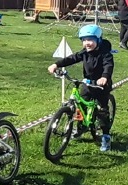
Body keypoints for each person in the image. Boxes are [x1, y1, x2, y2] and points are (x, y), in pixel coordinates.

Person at [48, 23, 116, 152]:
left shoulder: (105, 54)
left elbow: (108, 66)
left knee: (102, 111)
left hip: (101, 86)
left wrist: (104, 77)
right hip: (87, 84)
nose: (87, 43)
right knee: (81, 106)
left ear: (98, 40)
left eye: (90, 40)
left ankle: (106, 136)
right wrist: (56, 65)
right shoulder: (84, 53)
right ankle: (81, 127)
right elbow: (72, 58)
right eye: (84, 40)